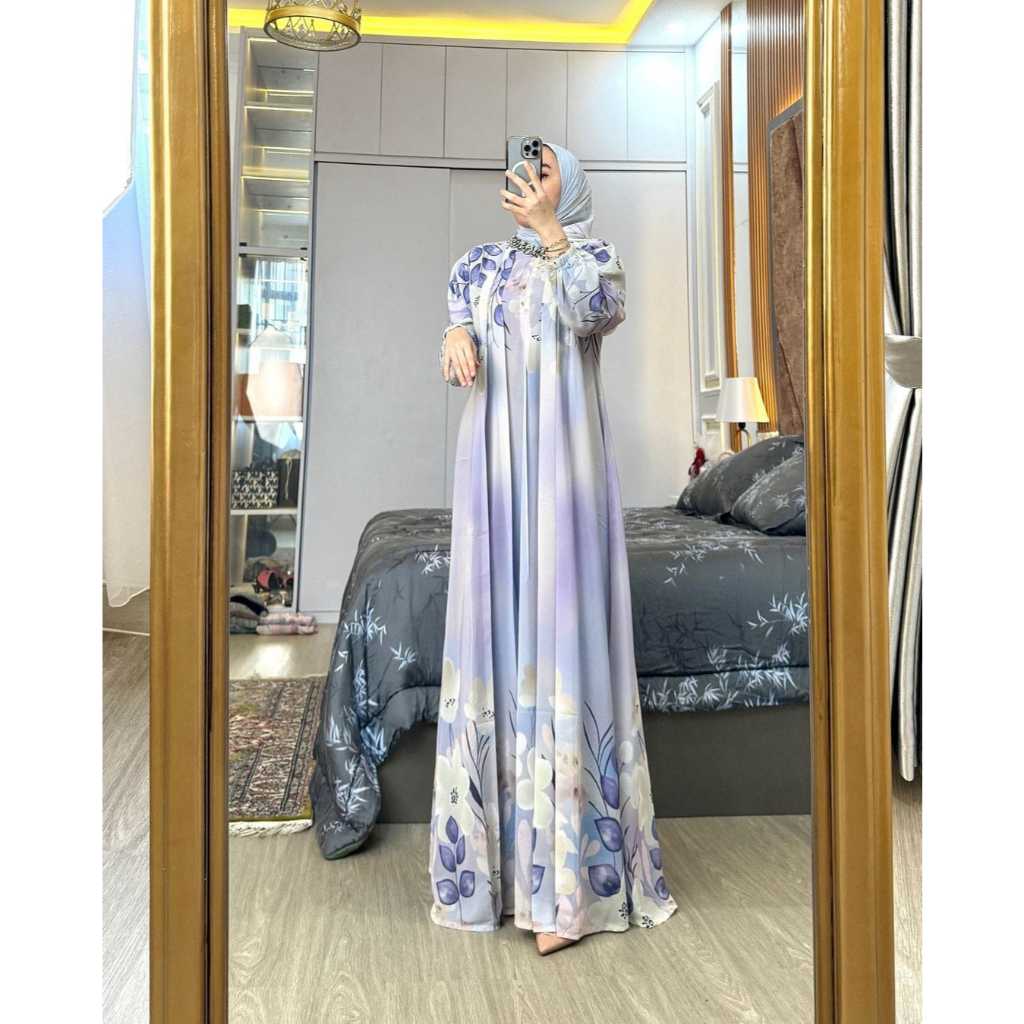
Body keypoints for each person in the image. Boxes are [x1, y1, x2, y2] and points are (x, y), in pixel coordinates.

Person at [430, 143, 677, 956]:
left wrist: (552, 233)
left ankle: (566, 889)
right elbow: (460, 324)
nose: (528, 180)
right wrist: (454, 338)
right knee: (496, 633)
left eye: (545, 171)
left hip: (564, 472)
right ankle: (499, 879)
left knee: (560, 631)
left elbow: (593, 312)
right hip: (495, 473)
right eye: (523, 168)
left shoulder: (595, 260)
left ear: (569, 186)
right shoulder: (477, 266)